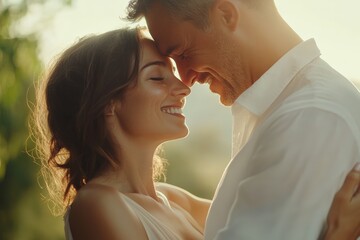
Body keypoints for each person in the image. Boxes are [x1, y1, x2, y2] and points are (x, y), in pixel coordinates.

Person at [33, 27, 360, 240]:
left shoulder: (174, 200)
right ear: (108, 103)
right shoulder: (97, 206)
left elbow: (275, 212)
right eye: (158, 78)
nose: (183, 87)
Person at [126, 0, 360, 239]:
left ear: (227, 15)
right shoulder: (285, 110)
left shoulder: (308, 117)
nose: (185, 80)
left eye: (184, 54)